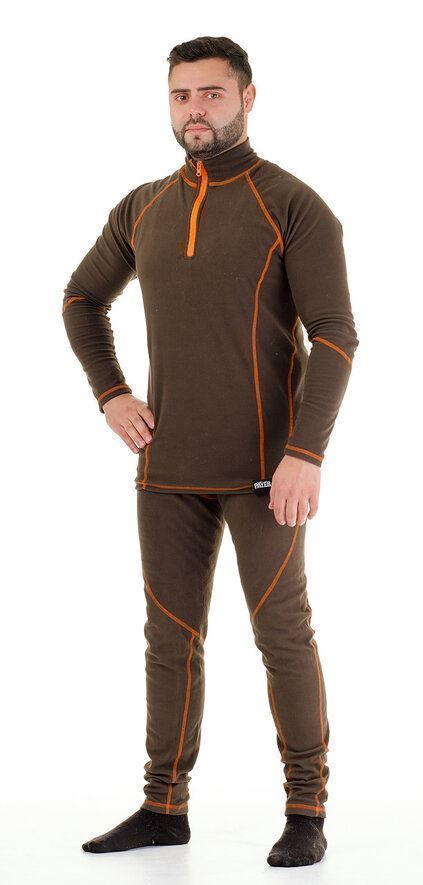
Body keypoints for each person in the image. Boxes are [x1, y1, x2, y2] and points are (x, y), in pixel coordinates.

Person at [62, 35, 359, 867]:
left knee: (282, 634)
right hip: (166, 469)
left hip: (266, 469)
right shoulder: (142, 206)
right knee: (168, 641)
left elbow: (335, 334)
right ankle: (164, 805)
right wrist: (111, 392)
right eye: (182, 95)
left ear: (247, 99)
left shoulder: (291, 203)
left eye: (212, 93)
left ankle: (305, 808)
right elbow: (81, 299)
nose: (195, 109)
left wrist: (307, 452)